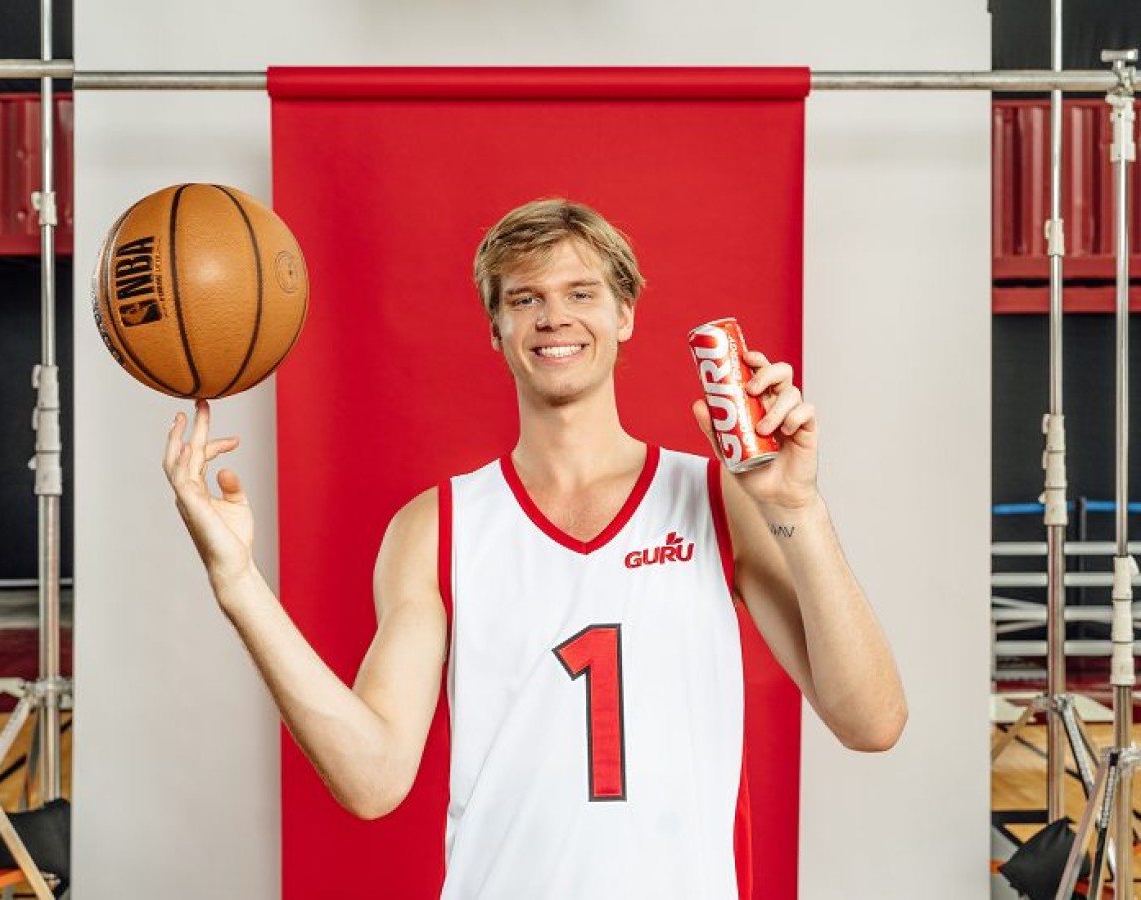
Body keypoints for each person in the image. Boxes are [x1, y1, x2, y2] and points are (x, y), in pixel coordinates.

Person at [162, 198, 907, 899]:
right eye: (525, 298)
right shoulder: (436, 526)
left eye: (581, 293)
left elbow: (871, 722)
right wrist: (239, 584)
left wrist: (796, 507)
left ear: (625, 316)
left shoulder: (720, 500)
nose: (555, 317)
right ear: (495, 329)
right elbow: (373, 777)